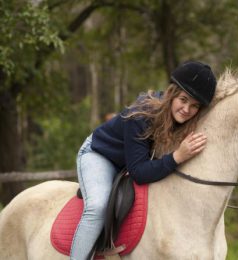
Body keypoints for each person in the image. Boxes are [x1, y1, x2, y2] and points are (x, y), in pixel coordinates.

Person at [70, 61, 217, 260]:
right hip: (101, 155)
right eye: (183, 99)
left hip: (131, 161)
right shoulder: (141, 114)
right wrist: (177, 157)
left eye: (194, 106)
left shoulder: (184, 119)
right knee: (98, 206)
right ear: (172, 93)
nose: (186, 109)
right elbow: (139, 172)